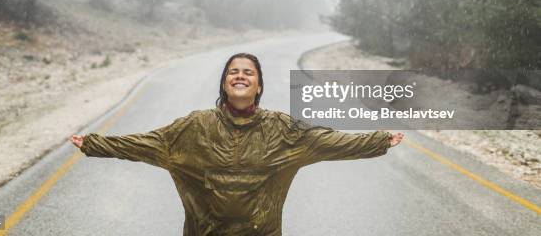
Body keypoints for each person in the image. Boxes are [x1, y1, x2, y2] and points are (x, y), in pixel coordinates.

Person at [71, 53, 404, 236]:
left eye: (248, 72)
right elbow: (147, 144)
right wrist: (94, 144)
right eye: (233, 71)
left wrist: (378, 141)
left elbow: (328, 141)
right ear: (224, 83)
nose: (240, 75)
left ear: (259, 86)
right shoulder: (194, 127)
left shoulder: (282, 130)